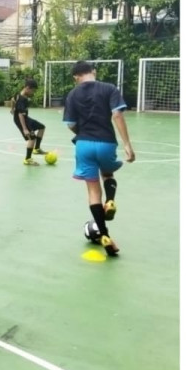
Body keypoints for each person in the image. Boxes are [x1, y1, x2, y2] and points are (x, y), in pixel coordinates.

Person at [63, 60, 135, 256]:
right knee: (108, 174)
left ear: (76, 77)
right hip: (106, 142)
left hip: (83, 145)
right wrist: (127, 144)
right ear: (93, 71)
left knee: (93, 191)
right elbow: (117, 115)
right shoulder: (109, 88)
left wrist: (82, 133)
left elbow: (70, 124)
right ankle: (110, 201)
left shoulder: (73, 94)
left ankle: (104, 235)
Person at [13, 78, 46, 165]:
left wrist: (13, 110)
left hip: (25, 118)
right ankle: (27, 159)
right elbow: (20, 114)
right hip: (21, 120)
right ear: (27, 88)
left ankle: (37, 149)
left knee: (42, 127)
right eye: (33, 90)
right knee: (32, 138)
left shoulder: (19, 94)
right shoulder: (22, 99)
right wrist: (25, 129)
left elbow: (13, 100)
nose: (33, 93)